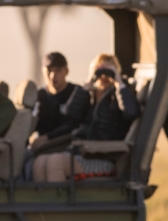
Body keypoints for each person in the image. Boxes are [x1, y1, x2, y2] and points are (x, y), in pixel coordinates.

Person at [33, 53, 141, 182]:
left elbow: (131, 112)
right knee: (39, 162)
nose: (103, 75)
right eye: (99, 70)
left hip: (103, 157)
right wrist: (88, 84)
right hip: (81, 152)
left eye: (109, 70)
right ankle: (46, 202)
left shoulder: (120, 94)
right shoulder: (90, 95)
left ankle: (58, 201)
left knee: (55, 163)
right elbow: (70, 113)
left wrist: (118, 82)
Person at [27, 51, 83, 162]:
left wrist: (48, 137)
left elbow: (75, 124)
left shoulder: (76, 93)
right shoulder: (39, 95)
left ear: (66, 71)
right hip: (42, 147)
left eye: (58, 70)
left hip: (67, 146)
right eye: (48, 71)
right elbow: (31, 124)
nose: (52, 76)